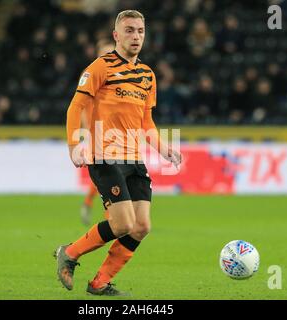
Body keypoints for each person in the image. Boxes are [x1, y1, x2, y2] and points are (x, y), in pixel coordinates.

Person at [55, 10, 181, 296]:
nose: (135, 36)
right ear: (116, 35)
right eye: (129, 30)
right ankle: (69, 253)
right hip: (104, 156)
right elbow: (75, 107)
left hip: (134, 159)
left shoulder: (148, 75)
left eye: (140, 31)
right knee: (123, 224)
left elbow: (146, 122)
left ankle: (99, 283)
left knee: (141, 226)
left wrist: (163, 148)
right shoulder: (100, 67)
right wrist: (75, 146)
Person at [80, 39, 116, 226]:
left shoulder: (119, 77)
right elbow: (83, 106)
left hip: (118, 133)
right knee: (110, 173)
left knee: (113, 173)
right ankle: (110, 216)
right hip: (99, 134)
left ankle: (91, 204)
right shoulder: (92, 76)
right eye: (105, 54)